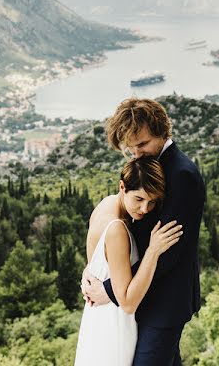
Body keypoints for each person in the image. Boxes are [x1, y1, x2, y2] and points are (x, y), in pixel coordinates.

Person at [81, 98, 206, 365]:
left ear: (163, 132)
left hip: (165, 302)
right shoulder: (151, 166)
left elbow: (168, 252)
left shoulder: (181, 175)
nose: (137, 153)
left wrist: (111, 289)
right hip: (143, 298)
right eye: (131, 148)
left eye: (143, 144)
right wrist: (94, 269)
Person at [74, 156, 183, 366]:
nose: (144, 209)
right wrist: (153, 251)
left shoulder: (106, 204)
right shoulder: (116, 229)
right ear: (122, 186)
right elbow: (128, 303)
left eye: (152, 202)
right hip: (113, 323)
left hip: (97, 316)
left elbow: (96, 264)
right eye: (139, 199)